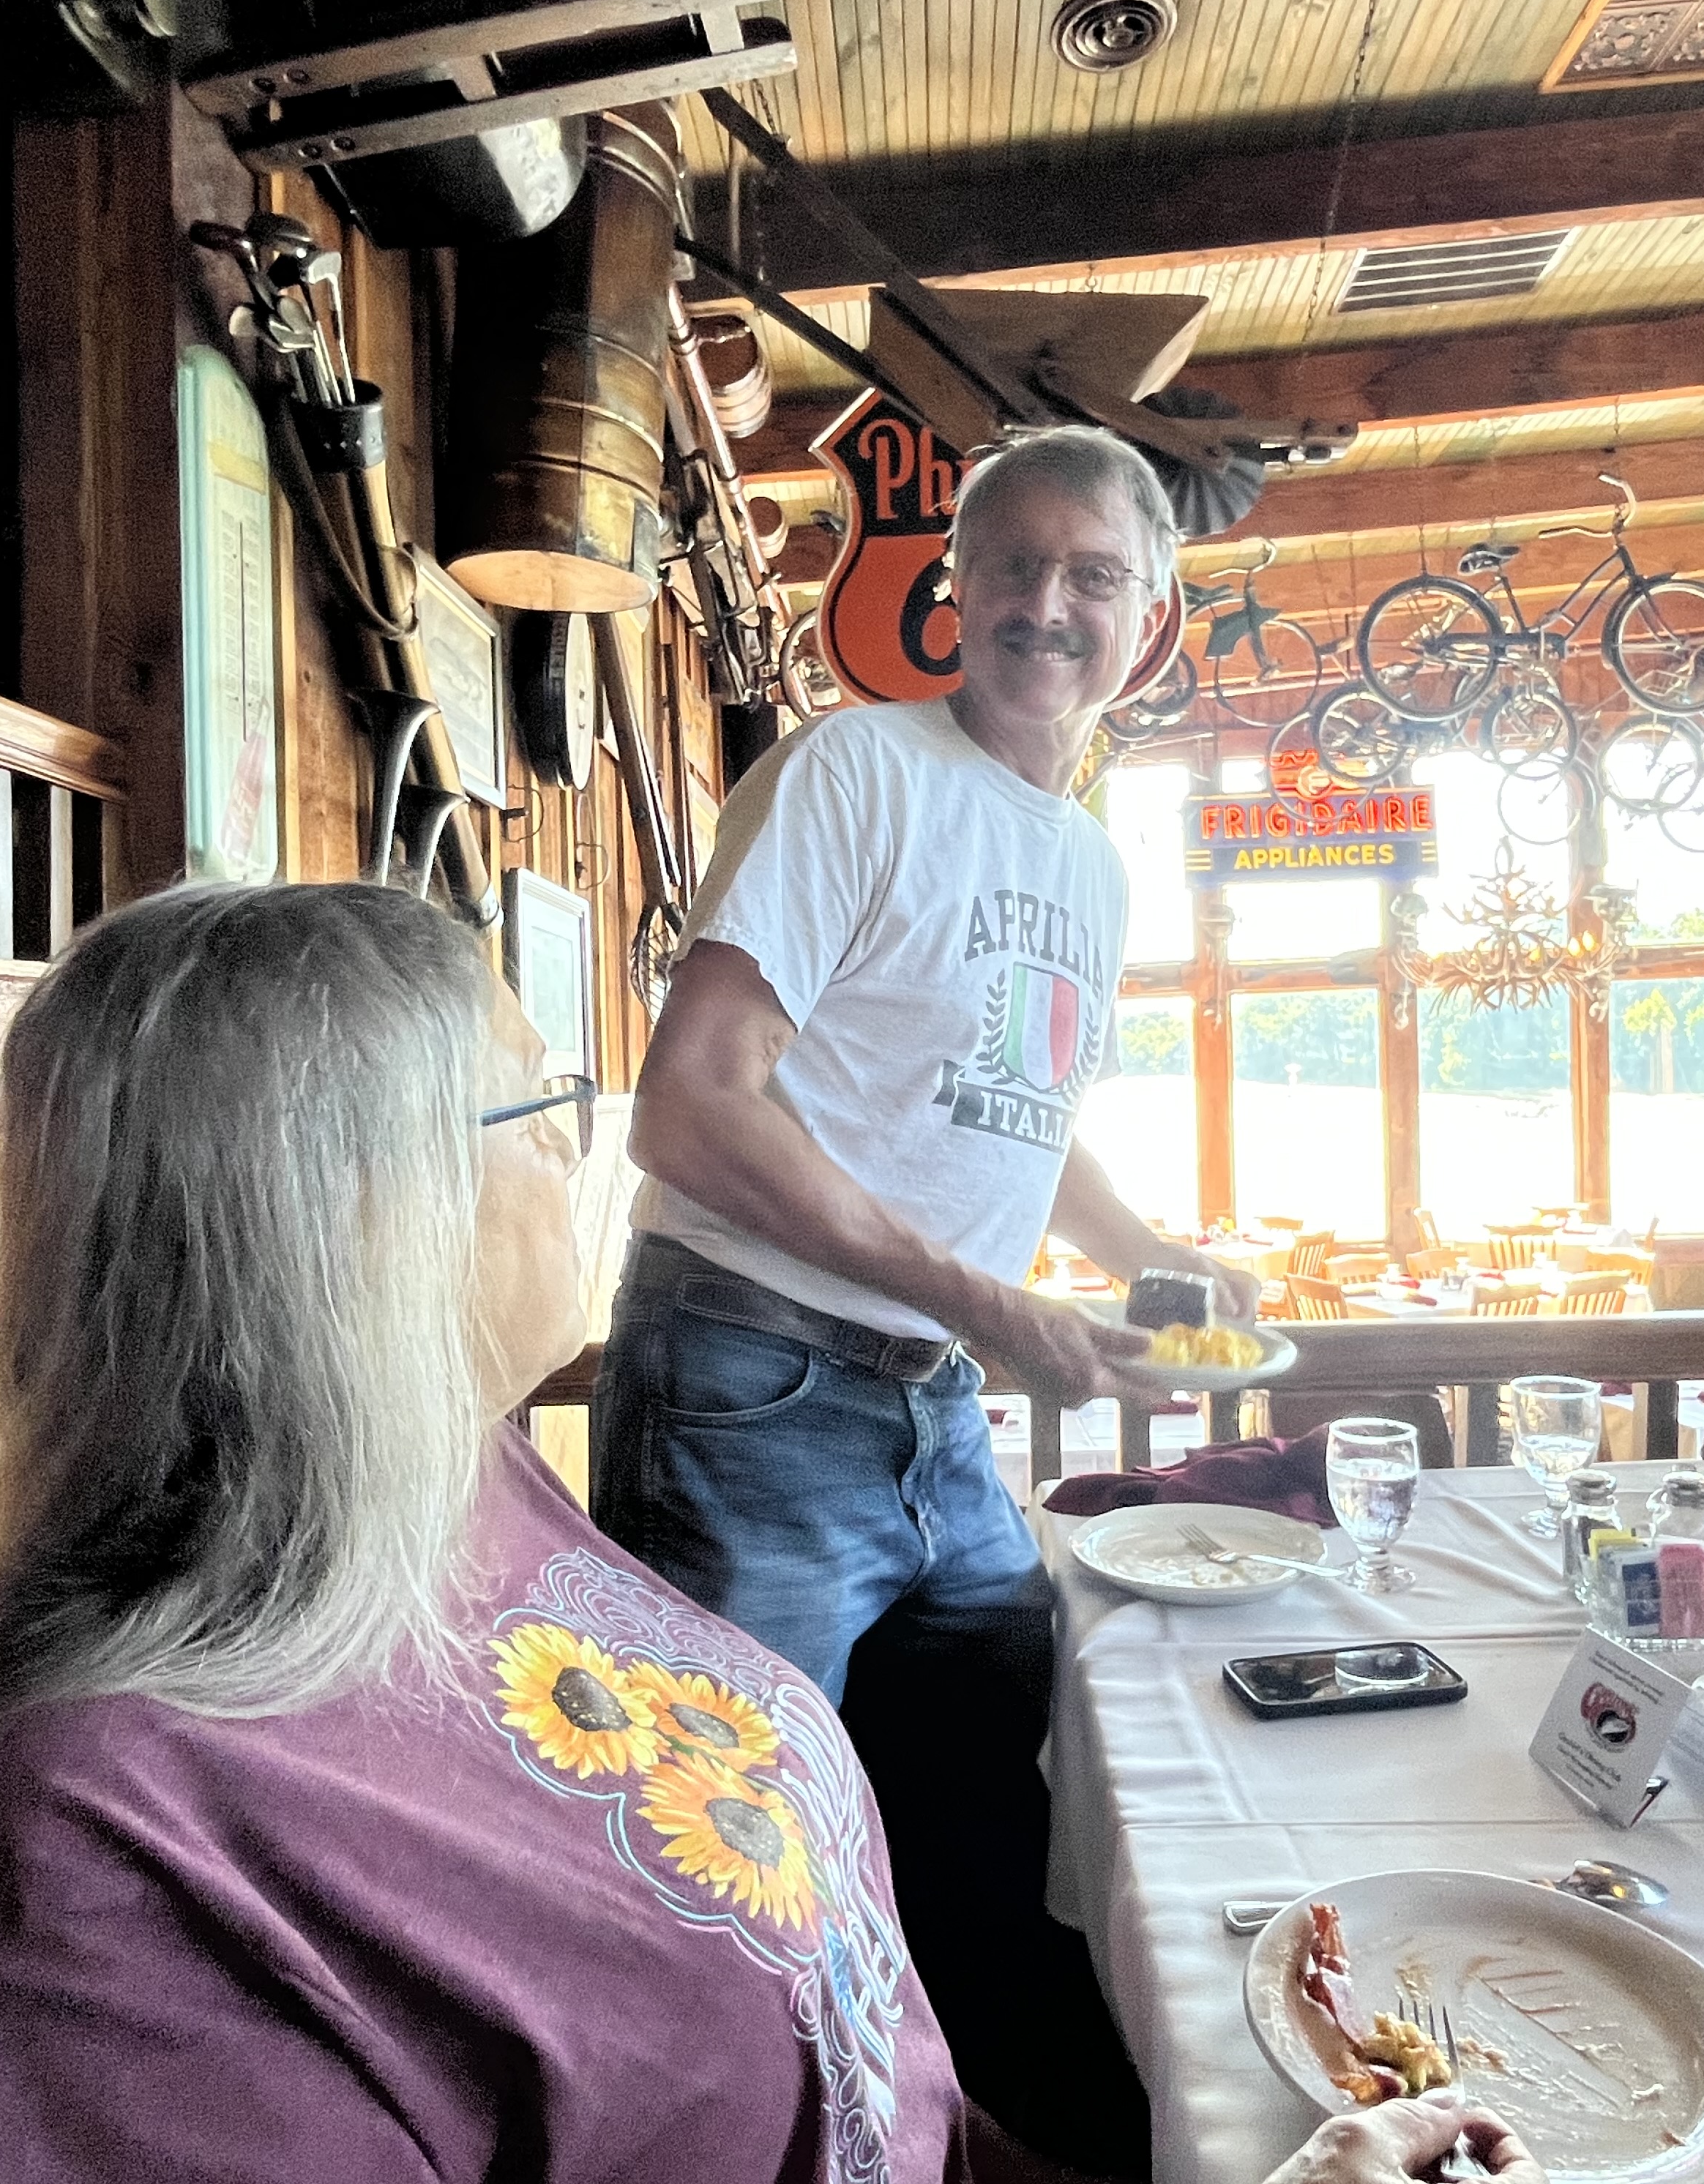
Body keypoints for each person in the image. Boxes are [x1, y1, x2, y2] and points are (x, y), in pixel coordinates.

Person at [0, 880, 1540, 2184]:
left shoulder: (468, 1494)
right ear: (349, 1213)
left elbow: (866, 2088)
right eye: (538, 1104)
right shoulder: (79, 1888)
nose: (587, 1149)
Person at [591, 429, 1257, 2169]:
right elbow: (692, 1103)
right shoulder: (854, 774)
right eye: (1012, 565)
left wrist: (1156, 1258)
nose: (1047, 604)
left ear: (1153, 623)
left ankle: (955, 2142)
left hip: (932, 1415)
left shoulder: (1090, 860)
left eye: (1092, 575)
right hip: (748, 1387)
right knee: (723, 1860)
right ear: (950, 591)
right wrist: (994, 1302)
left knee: (979, 1818)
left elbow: (1019, 1115)